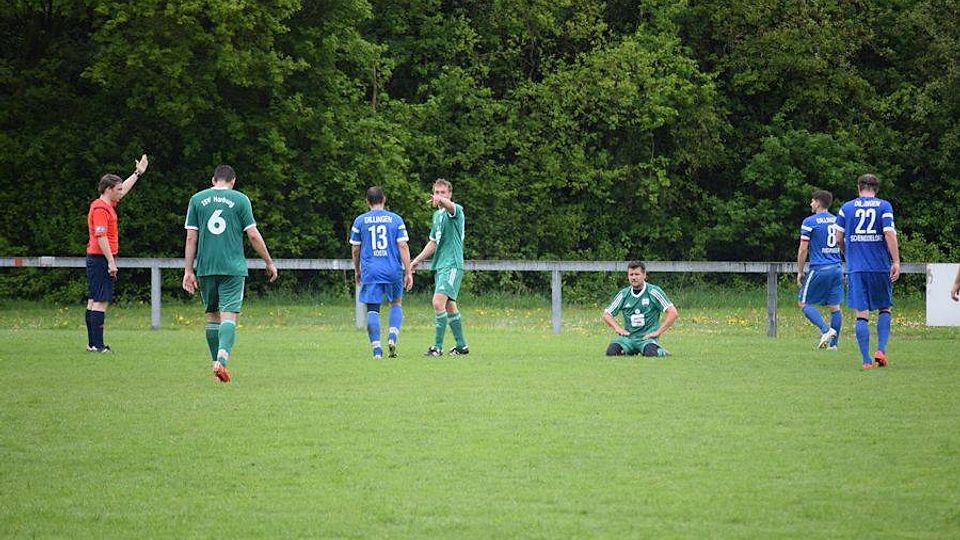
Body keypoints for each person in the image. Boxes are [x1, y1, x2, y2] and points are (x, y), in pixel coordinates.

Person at [182, 165, 278, 383]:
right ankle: (222, 361)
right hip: (232, 268)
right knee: (229, 316)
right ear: (233, 181)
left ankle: (215, 365)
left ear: (213, 180)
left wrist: (188, 270)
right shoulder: (240, 200)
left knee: (212, 316)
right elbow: (253, 235)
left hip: (206, 267)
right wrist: (269, 261)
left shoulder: (197, 200)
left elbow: (191, 238)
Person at [835, 173, 900, 370]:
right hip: (879, 266)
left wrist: (848, 252)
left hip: (857, 268)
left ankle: (866, 360)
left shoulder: (847, 208)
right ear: (876, 189)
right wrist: (896, 261)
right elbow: (889, 233)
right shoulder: (884, 206)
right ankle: (880, 350)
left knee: (861, 314)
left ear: (858, 188)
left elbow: (838, 238)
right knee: (884, 308)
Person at [85, 154, 149, 353]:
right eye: (118, 189)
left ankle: (92, 344)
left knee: (93, 300)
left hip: (97, 259)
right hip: (100, 259)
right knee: (100, 301)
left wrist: (137, 173)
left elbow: (124, 189)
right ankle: (98, 346)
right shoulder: (100, 209)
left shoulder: (106, 204)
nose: (122, 192)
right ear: (108, 190)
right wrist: (111, 262)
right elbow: (101, 236)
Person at [349, 186, 414, 358]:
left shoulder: (360, 221)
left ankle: (377, 350)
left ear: (367, 201)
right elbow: (403, 245)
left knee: (372, 309)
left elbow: (355, 249)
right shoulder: (396, 220)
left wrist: (357, 270)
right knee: (396, 303)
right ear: (384, 199)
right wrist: (408, 271)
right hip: (392, 269)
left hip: (370, 271)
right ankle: (392, 336)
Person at [411, 178, 469, 356]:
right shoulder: (437, 216)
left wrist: (442, 201)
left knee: (437, 302)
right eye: (436, 192)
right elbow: (433, 242)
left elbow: (450, 206)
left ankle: (437, 347)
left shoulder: (455, 210)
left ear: (450, 194)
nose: (439, 196)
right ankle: (461, 347)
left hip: (452, 264)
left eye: (443, 193)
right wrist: (416, 260)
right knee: (449, 306)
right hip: (440, 265)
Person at [796, 190, 843, 350]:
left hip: (819, 268)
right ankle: (833, 345)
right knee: (835, 307)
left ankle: (826, 330)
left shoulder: (810, 222)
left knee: (803, 302)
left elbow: (803, 249)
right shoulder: (837, 220)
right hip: (837, 267)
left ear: (817, 202)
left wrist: (800, 271)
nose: (810, 204)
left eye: (812, 201)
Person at [602, 261, 678, 357]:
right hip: (628, 338)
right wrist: (618, 328)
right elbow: (606, 315)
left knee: (651, 353)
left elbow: (673, 313)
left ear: (644, 275)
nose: (634, 277)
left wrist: (658, 332)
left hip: (646, 339)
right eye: (631, 274)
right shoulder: (624, 294)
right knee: (611, 352)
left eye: (637, 274)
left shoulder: (653, 291)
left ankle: (662, 352)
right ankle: (629, 350)